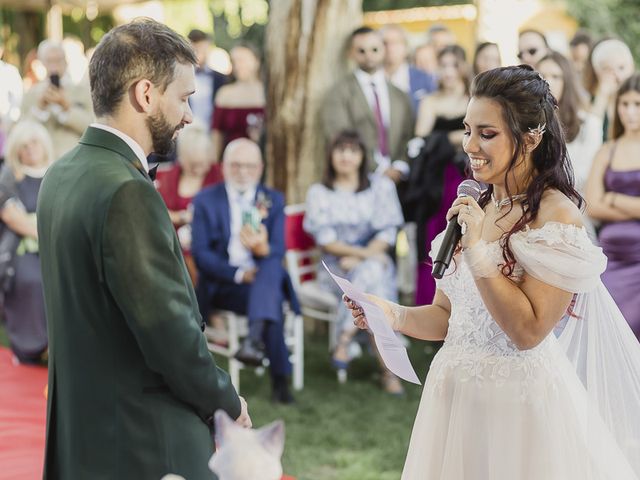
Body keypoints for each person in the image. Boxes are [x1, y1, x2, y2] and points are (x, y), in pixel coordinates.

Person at [345, 65, 640, 479]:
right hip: (453, 399)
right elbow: (449, 318)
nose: (470, 145)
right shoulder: (477, 205)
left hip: (517, 410)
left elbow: (527, 331)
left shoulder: (556, 216)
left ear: (532, 138)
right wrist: (390, 314)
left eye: (487, 134)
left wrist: (481, 251)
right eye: (467, 130)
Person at [36, 19, 250, 480]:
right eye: (185, 98)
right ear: (146, 94)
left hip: (82, 437)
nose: (190, 116)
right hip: (142, 444)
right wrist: (228, 402)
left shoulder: (59, 174)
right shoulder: (127, 192)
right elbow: (169, 335)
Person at [191, 138, 298, 404]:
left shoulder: (272, 199)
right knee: (270, 289)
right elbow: (201, 254)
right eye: (236, 165)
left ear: (260, 168)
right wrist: (239, 274)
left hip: (262, 279)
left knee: (270, 269)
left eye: (249, 166)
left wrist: (262, 250)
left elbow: (278, 249)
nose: (243, 172)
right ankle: (280, 382)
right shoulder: (206, 200)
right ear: (224, 167)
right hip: (226, 285)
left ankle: (253, 338)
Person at [303, 130, 405, 394]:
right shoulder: (319, 192)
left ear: (362, 156)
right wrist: (364, 256)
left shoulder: (380, 187)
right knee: (373, 282)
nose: (346, 156)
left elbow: (387, 233)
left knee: (369, 278)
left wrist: (362, 257)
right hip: (335, 270)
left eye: (353, 150)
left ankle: (344, 338)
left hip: (369, 266)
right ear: (331, 155)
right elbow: (326, 241)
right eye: (340, 150)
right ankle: (389, 372)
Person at [409, 44, 470, 306]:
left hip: (466, 176)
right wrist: (454, 137)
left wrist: (446, 137)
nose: (448, 71)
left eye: (453, 65)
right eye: (442, 65)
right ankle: (428, 303)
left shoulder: (473, 98)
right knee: (433, 235)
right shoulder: (430, 101)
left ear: (463, 67)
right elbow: (421, 138)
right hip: (437, 182)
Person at [322, 26, 414, 184]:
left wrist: (400, 165)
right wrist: (378, 169)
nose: (369, 55)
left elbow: (408, 134)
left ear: (383, 50)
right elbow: (339, 135)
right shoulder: (338, 93)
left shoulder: (400, 95)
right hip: (359, 179)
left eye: (374, 49)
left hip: (400, 182)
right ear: (351, 53)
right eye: (361, 51)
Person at [585, 74, 640, 338]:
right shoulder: (607, 150)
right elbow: (593, 205)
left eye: (637, 104)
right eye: (625, 104)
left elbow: (604, 200)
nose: (630, 112)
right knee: (608, 330)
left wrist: (615, 198)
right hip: (612, 257)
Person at [0, 120, 52, 364]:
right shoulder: (10, 177)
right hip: (23, 249)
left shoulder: (57, 172)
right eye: (23, 146)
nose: (29, 149)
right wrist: (45, 234)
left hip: (56, 249)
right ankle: (33, 346)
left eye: (34, 144)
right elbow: (11, 216)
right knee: (32, 279)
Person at [536, 51, 602, 238]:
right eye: (542, 76)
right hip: (532, 215)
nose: (548, 82)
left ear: (567, 81)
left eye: (556, 76)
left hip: (574, 215)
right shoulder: (526, 126)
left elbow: (581, 175)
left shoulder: (588, 124)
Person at [155, 121, 223, 284]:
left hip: (208, 244)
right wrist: (182, 217)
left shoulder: (218, 177)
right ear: (183, 159)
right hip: (172, 245)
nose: (198, 170)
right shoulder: (170, 178)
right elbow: (157, 211)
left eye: (202, 164)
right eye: (193, 165)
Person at [21, 39, 93, 160]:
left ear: (65, 62)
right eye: (49, 61)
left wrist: (66, 107)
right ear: (42, 63)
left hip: (73, 160)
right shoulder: (31, 95)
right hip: (41, 164)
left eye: (58, 60)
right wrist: (39, 108)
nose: (54, 65)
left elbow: (92, 127)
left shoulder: (82, 92)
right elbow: (21, 132)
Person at [211, 43, 265, 163]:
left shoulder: (268, 93)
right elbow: (217, 134)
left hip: (260, 161)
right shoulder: (225, 93)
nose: (237, 66)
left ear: (256, 61)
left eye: (242, 60)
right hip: (231, 160)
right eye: (234, 61)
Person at [586, 38, 634, 141]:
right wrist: (603, 95)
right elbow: (590, 136)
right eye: (608, 70)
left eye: (621, 68)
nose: (617, 75)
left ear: (632, 67)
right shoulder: (592, 102)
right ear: (598, 73)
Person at [382, 24, 437, 112]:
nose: (390, 48)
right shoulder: (373, 80)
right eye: (385, 43)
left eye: (395, 42)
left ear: (406, 47)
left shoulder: (424, 78)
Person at [187, 29, 228, 131]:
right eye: (196, 49)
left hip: (214, 134)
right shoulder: (179, 78)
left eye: (203, 49)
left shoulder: (221, 79)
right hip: (186, 135)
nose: (199, 53)